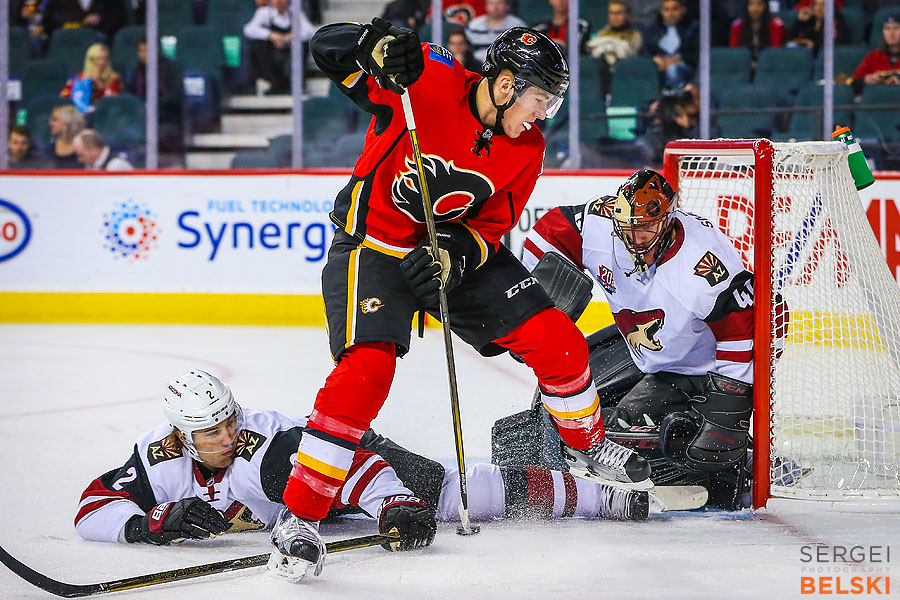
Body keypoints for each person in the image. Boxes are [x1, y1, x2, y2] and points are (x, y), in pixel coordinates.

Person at [274, 19, 652, 576]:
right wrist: (370, 45)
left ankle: (586, 444)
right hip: (374, 245)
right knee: (368, 370)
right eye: (540, 99)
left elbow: (493, 223)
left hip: (450, 250)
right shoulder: (430, 76)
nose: (544, 113)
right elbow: (327, 51)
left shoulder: (529, 147)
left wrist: (455, 254)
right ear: (504, 86)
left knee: (560, 343)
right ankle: (300, 516)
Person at [75, 369, 650, 581]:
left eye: (229, 422)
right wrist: (152, 521)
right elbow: (93, 506)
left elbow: (346, 467)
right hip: (331, 495)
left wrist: (394, 504)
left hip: (353, 453)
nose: (227, 437)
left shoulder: (264, 451)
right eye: (211, 433)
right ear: (181, 437)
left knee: (455, 493)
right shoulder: (160, 460)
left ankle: (605, 498)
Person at [518, 169, 756, 508]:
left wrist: (727, 413)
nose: (636, 239)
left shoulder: (702, 264)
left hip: (693, 370)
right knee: (565, 398)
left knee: (621, 430)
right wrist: (530, 306)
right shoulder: (601, 223)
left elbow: (743, 328)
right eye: (628, 228)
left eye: (646, 228)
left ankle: (734, 466)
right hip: (640, 348)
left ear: (669, 220)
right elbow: (550, 231)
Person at [242, 0, 316, 95]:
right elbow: (248, 30)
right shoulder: (264, 13)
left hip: (290, 50)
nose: (279, 2)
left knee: (303, 45)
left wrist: (290, 37)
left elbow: (310, 31)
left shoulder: (295, 12)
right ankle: (276, 83)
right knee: (257, 46)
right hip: (272, 53)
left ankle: (294, 82)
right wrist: (270, 35)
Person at [126, 37, 183, 152]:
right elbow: (130, 94)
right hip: (140, 117)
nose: (143, 54)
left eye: (146, 50)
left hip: (165, 116)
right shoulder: (137, 70)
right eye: (141, 51)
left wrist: (153, 105)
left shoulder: (170, 68)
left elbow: (176, 96)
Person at [586, 0, 643, 98]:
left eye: (618, 13)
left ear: (627, 15)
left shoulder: (635, 35)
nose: (614, 17)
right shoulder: (602, 34)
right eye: (611, 13)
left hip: (624, 77)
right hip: (600, 76)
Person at [642, 0, 698, 89]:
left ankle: (674, 98)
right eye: (666, 10)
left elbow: (699, 55)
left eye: (675, 9)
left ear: (683, 10)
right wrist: (654, 59)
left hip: (686, 68)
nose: (671, 13)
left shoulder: (693, 28)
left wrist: (680, 59)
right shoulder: (653, 30)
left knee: (672, 69)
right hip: (659, 67)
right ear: (661, 11)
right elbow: (644, 51)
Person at [60, 43, 122, 111]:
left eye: (105, 59)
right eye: (98, 59)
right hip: (83, 115)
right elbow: (64, 97)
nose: (102, 62)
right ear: (90, 60)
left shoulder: (114, 78)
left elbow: (116, 101)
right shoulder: (80, 78)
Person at [849, 15, 900, 94]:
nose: (891, 33)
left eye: (896, 28)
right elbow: (853, 82)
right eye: (887, 28)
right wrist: (866, 80)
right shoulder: (872, 57)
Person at [729, 0, 785, 68]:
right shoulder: (738, 26)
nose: (754, 8)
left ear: (765, 6)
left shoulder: (776, 25)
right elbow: (734, 51)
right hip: (743, 67)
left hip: (769, 67)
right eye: (751, 4)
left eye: (759, 4)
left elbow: (775, 53)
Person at [785, 0, 850, 59]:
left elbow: (839, 43)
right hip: (804, 58)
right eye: (816, 5)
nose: (819, 8)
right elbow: (789, 39)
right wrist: (799, 21)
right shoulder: (809, 20)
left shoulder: (836, 21)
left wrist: (814, 45)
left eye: (823, 5)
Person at [47, 104, 85, 169]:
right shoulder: (48, 150)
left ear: (68, 122)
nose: (50, 123)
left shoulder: (84, 148)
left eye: (55, 120)